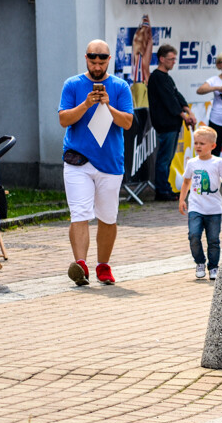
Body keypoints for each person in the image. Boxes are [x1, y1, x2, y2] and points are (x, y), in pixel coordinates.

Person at [58, 39, 134, 286]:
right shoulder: (73, 84)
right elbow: (63, 119)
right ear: (86, 58)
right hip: (78, 161)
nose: (97, 64)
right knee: (79, 213)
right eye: (93, 59)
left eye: (102, 60)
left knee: (108, 218)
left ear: (109, 60)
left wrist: (107, 105)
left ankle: (103, 265)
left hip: (110, 162)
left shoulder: (120, 87)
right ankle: (80, 265)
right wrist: (87, 103)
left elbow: (127, 123)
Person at [179, 127, 222, 280]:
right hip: (196, 207)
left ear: (213, 146)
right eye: (196, 143)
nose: (198, 146)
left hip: (214, 209)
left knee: (213, 240)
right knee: (194, 235)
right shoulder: (192, 163)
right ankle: (200, 262)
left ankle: (213, 266)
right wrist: (182, 199)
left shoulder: (218, 162)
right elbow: (187, 181)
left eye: (202, 143)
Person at [148, 44, 196, 201]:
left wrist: (188, 111)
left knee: (167, 159)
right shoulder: (156, 77)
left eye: (175, 59)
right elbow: (169, 101)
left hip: (173, 124)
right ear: (161, 59)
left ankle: (166, 188)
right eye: (171, 59)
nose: (174, 62)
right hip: (165, 124)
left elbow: (177, 96)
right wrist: (184, 116)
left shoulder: (166, 77)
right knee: (164, 158)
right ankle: (162, 191)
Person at [197, 51, 222, 161]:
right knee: (214, 151)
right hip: (216, 120)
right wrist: (217, 88)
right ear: (218, 65)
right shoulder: (214, 80)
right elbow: (200, 90)